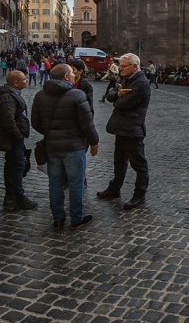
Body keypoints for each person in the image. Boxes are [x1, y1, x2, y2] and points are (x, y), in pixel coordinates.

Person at [31, 64, 98, 229]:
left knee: (55, 183)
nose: (74, 75)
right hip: (73, 146)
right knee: (76, 183)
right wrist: (94, 141)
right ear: (66, 77)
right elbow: (87, 123)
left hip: (52, 147)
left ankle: (58, 218)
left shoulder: (40, 96)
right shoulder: (77, 95)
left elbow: (35, 123)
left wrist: (51, 131)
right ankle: (77, 218)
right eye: (71, 73)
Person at [97, 53, 151, 209]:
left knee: (138, 163)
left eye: (123, 66)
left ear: (135, 66)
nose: (120, 69)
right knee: (119, 161)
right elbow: (110, 94)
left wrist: (117, 97)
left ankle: (139, 194)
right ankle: (115, 188)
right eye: (120, 66)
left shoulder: (141, 83)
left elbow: (123, 104)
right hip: (121, 127)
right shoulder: (126, 79)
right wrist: (117, 94)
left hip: (133, 128)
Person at [0, 71, 37, 210]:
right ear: (16, 83)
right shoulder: (7, 98)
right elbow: (8, 120)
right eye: (24, 79)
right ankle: (17, 197)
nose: (26, 80)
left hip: (16, 137)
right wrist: (18, 135)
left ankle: (12, 196)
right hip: (13, 139)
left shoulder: (13, 95)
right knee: (16, 166)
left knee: (14, 166)